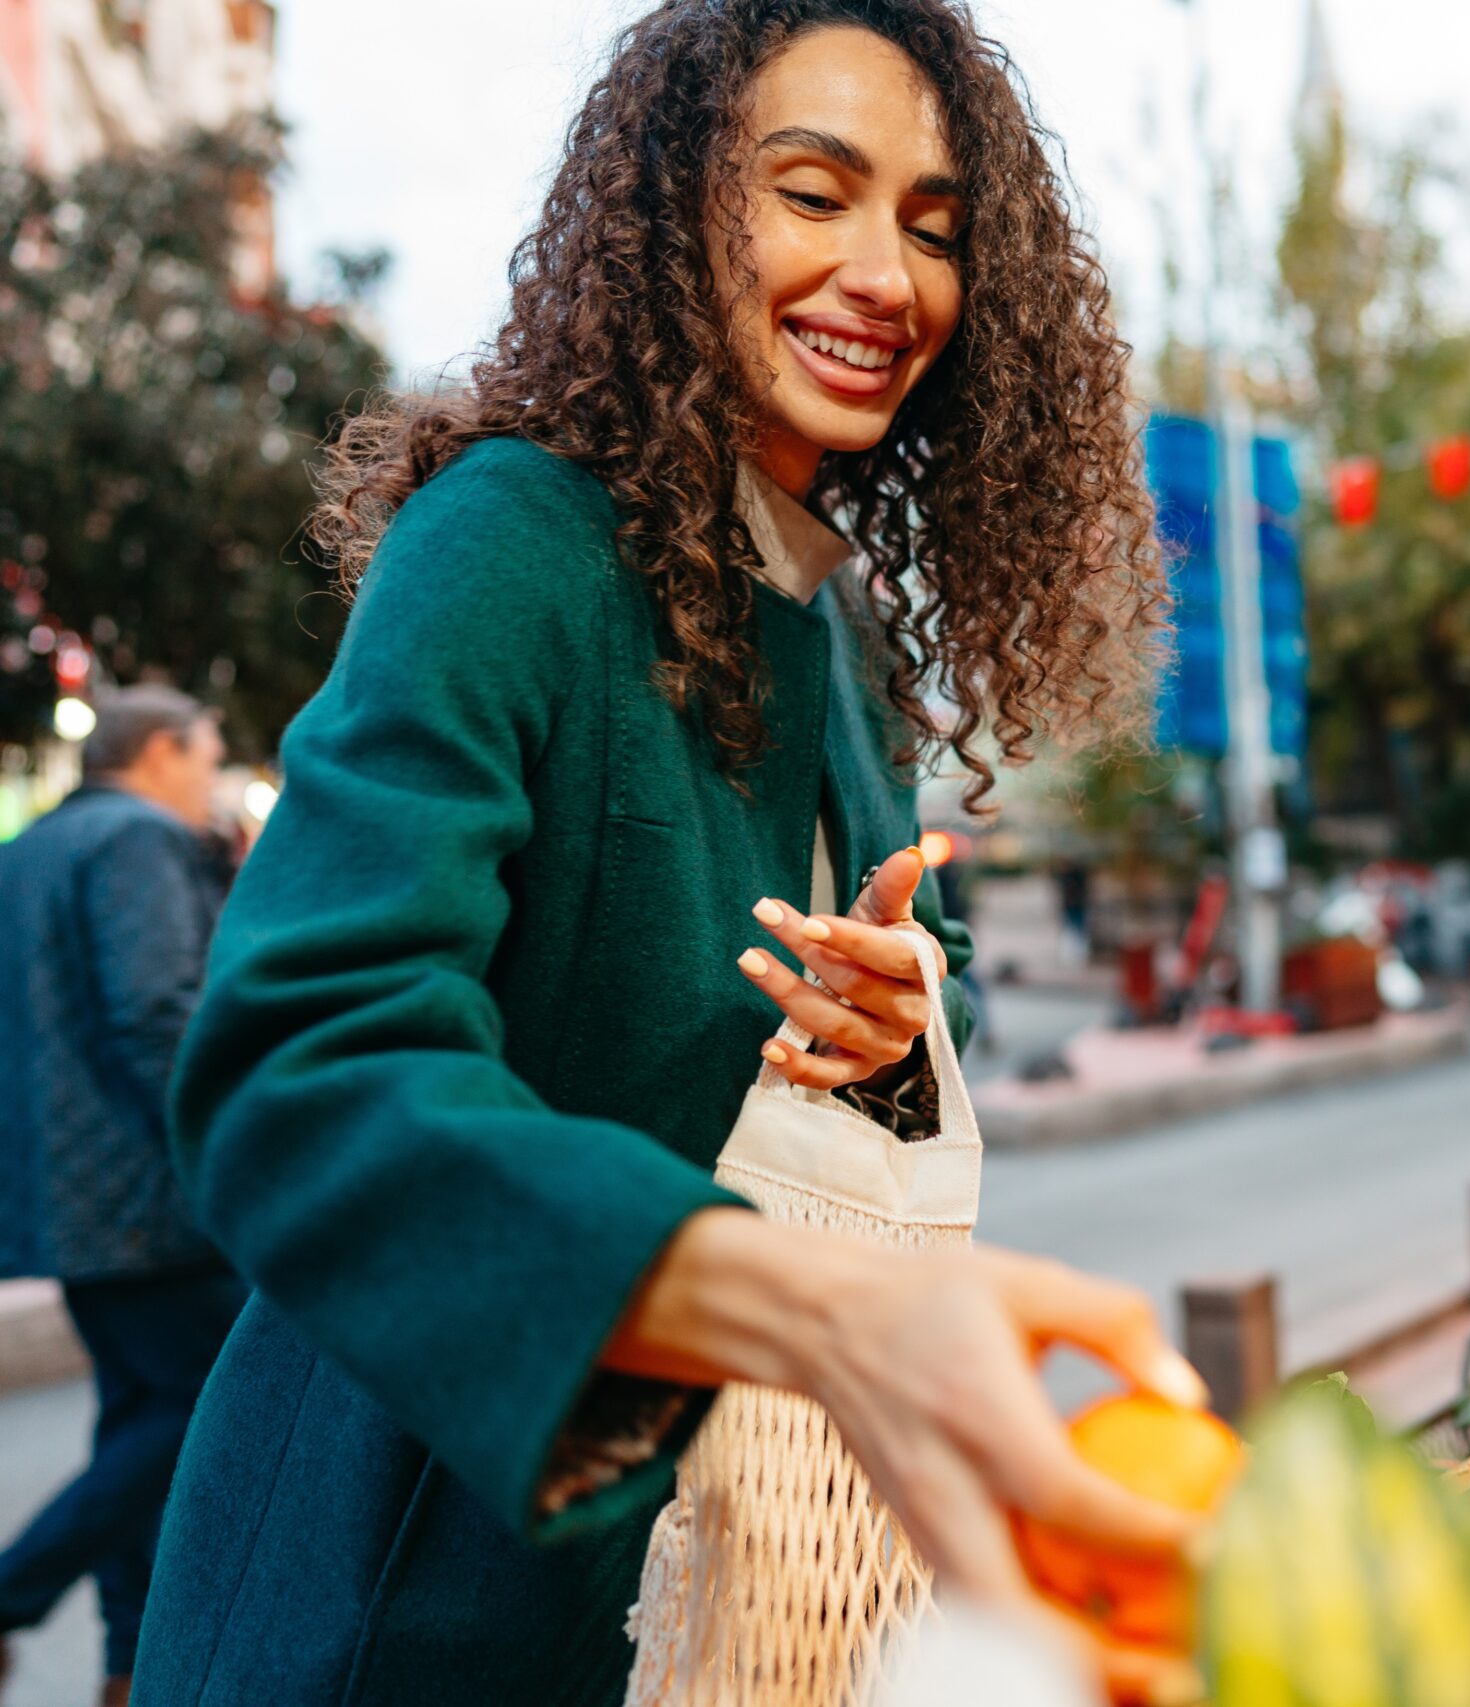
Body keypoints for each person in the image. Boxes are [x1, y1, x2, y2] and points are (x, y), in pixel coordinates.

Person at [133, 5, 1184, 1704]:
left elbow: (905, 966)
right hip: (405, 1573)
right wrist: (801, 1309)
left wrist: (906, 1012)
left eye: (933, 225)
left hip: (714, 1591)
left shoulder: (840, 630)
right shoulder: (510, 542)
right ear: (678, 211)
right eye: (812, 192)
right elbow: (296, 1061)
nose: (885, 275)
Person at [0, 687, 247, 1706]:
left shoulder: (33, 850)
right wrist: (233, 1146)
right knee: (198, 1408)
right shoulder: (139, 841)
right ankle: (17, 1594)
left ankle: (128, 1661)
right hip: (152, 1197)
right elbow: (157, 1014)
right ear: (156, 751)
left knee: (135, 1425)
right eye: (207, 757)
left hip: (65, 1197)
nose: (212, 779)